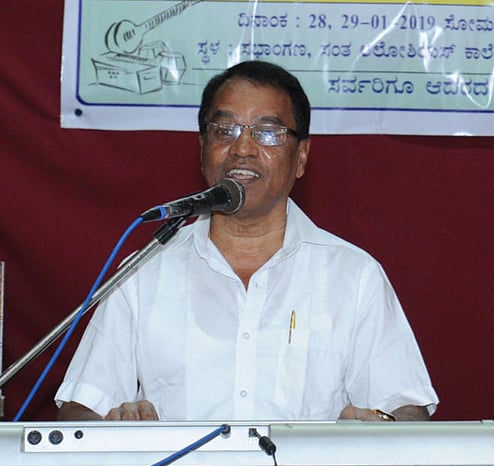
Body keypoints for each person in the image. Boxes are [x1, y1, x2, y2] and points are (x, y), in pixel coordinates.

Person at [56, 60, 438, 422]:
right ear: (202, 148)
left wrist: (377, 427)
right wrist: (113, 427)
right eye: (225, 131)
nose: (242, 148)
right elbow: (80, 411)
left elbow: (406, 412)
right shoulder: (145, 270)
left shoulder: (353, 276)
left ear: (301, 156)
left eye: (267, 132)